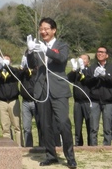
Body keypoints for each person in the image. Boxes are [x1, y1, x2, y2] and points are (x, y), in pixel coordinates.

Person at [25, 17, 77, 168]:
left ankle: (70, 156)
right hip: (41, 90)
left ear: (54, 30)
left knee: (63, 123)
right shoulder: (37, 46)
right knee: (45, 125)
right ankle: (51, 155)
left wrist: (46, 50)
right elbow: (31, 64)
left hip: (58, 90)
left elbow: (61, 58)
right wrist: (29, 51)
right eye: (41, 29)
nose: (43, 31)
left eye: (46, 28)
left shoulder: (62, 45)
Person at [83, 46, 112, 146]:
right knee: (93, 127)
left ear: (107, 55)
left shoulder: (111, 67)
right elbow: (86, 82)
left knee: (107, 128)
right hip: (94, 100)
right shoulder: (92, 67)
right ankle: (93, 147)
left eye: (102, 52)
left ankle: (107, 146)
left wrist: (105, 76)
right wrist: (95, 77)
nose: (99, 54)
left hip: (108, 101)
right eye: (98, 52)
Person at [0, 54, 22, 145]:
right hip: (2, 102)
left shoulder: (14, 71)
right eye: (4, 60)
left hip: (13, 101)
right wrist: (0, 67)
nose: (5, 62)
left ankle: (19, 146)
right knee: (5, 127)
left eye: (7, 60)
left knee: (17, 126)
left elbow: (17, 74)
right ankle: (8, 146)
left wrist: (8, 67)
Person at [67, 54, 92, 147]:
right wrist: (74, 69)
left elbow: (89, 79)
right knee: (77, 125)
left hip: (87, 102)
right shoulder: (76, 71)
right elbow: (68, 79)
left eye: (84, 59)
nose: (82, 60)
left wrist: (83, 69)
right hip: (77, 102)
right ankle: (78, 143)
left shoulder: (90, 70)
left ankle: (91, 144)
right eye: (81, 58)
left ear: (88, 62)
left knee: (90, 124)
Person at [19, 56, 38, 147]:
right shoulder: (23, 72)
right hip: (25, 102)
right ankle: (28, 146)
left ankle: (43, 145)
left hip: (36, 102)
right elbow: (17, 75)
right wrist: (22, 68)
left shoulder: (37, 71)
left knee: (40, 125)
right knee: (26, 127)